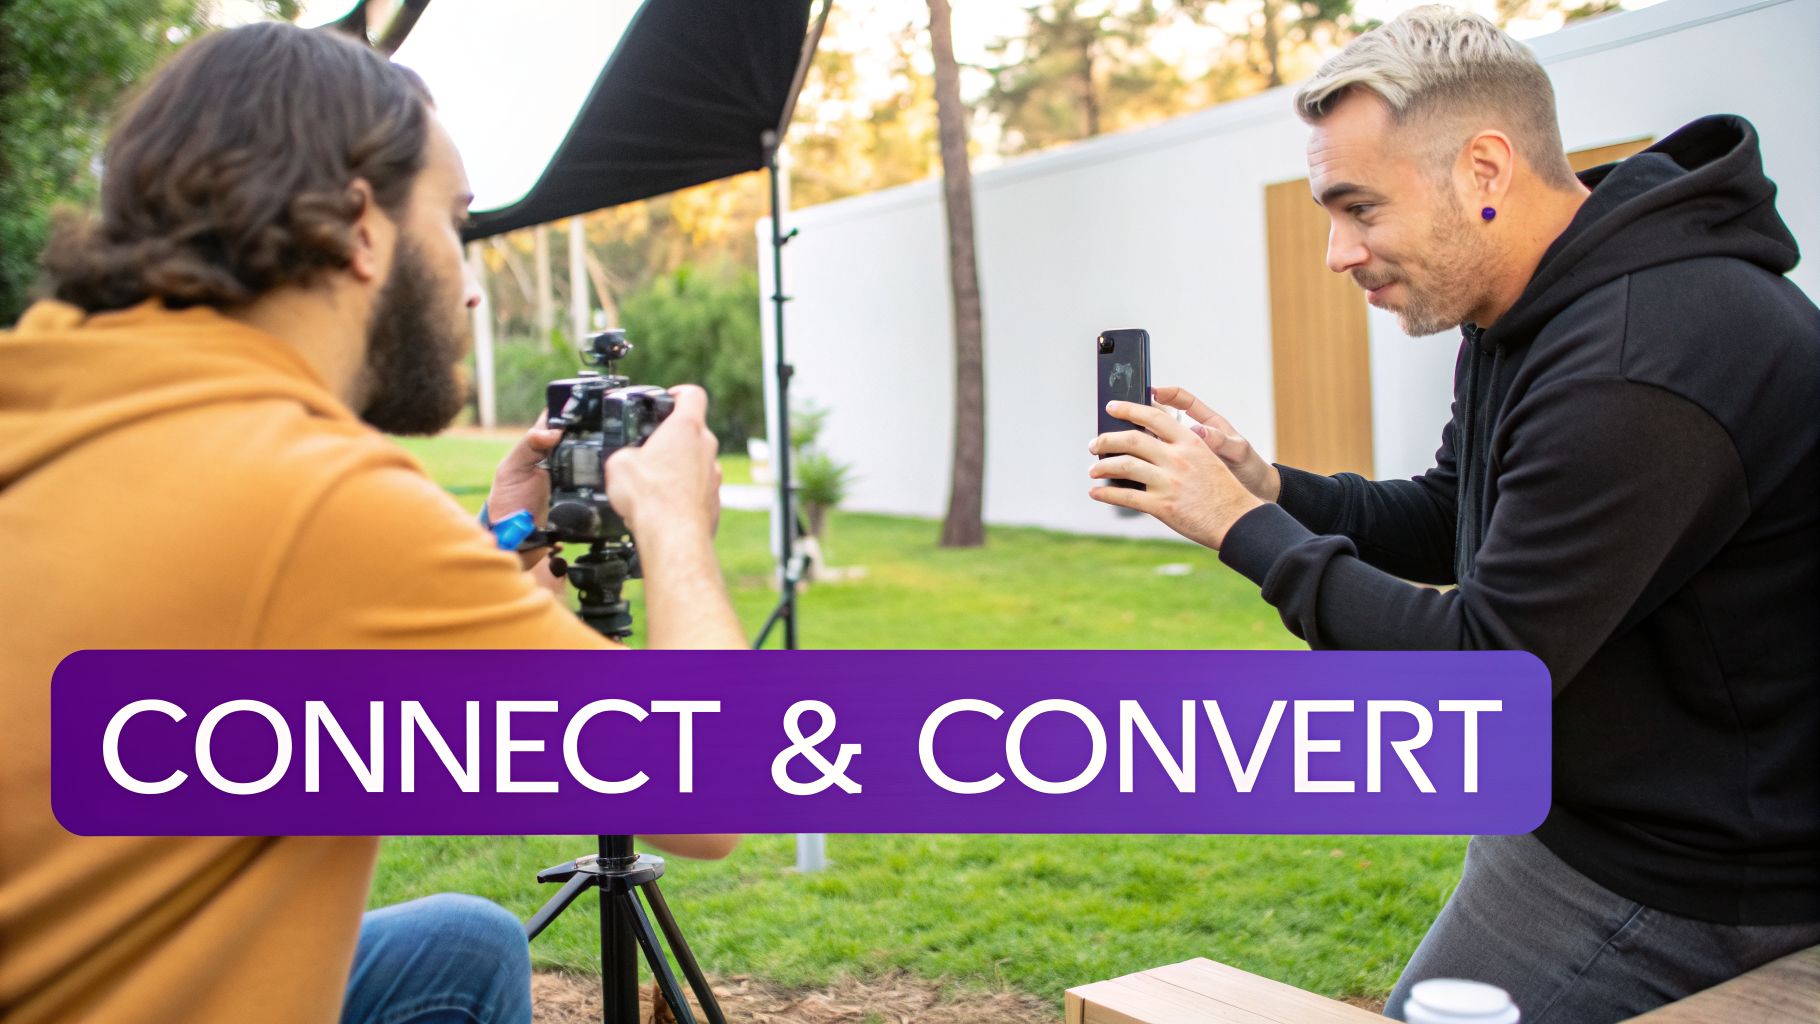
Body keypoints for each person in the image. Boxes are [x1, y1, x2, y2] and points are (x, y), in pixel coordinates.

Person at [1087, 7, 1819, 1022]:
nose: (1338, 253)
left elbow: (1483, 671)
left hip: (1682, 876)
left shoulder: (1634, 361)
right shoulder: (1532, 305)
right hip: (1585, 808)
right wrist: (1268, 487)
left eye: (1359, 209)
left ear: (1482, 170)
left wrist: (1240, 532)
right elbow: (1451, 513)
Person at [0, 22, 740, 1024]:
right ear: (359, 225)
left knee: (462, 946)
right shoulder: (312, 494)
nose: (469, 280)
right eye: (454, 222)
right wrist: (674, 522)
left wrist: (502, 540)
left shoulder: (54, 397)